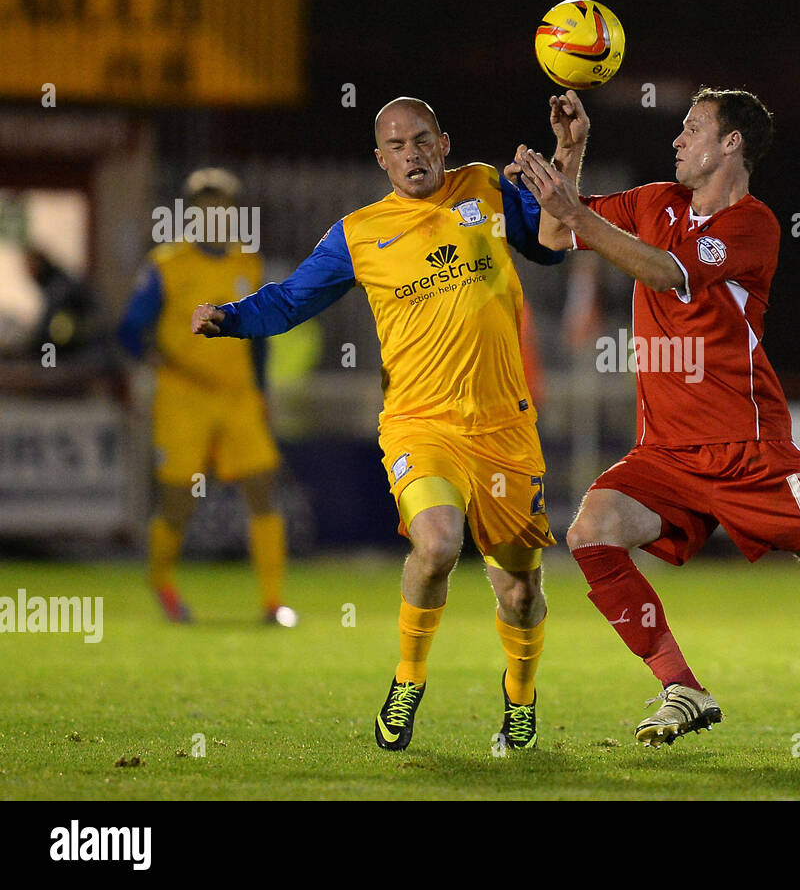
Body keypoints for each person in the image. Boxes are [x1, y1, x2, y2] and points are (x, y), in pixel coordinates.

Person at [517, 88, 800, 756]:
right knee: (590, 531)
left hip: (751, 450)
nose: (677, 141)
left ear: (731, 143)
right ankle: (683, 687)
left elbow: (665, 272)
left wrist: (574, 211)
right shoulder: (654, 202)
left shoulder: (753, 226)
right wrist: (571, 151)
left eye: (691, 129)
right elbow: (554, 234)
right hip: (667, 453)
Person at [192, 97, 572, 751]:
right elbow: (290, 300)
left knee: (518, 589)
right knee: (437, 544)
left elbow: (553, 244)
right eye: (396, 145)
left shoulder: (485, 185)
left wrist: (566, 154)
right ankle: (408, 678)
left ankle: (519, 695)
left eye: (422, 139)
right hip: (418, 424)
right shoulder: (360, 233)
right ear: (380, 158)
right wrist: (230, 317)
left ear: (444, 141)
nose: (411, 154)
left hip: (504, 427)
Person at [118, 168, 291, 626]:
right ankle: (162, 582)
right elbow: (130, 330)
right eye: (204, 209)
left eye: (221, 209)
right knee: (178, 499)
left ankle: (273, 603)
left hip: (237, 397)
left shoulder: (247, 264)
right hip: (184, 396)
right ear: (191, 215)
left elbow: (260, 335)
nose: (214, 217)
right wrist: (156, 361)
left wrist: (262, 392)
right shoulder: (166, 265)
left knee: (263, 489)